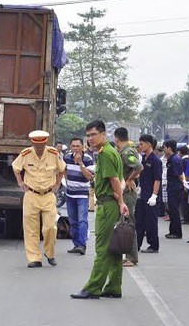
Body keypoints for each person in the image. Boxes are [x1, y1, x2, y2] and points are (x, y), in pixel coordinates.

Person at [71, 120, 129, 300]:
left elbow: (114, 180)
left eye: (93, 134)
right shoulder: (110, 151)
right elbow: (109, 179)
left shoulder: (105, 154)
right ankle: (113, 287)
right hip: (110, 202)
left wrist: (120, 202)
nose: (90, 139)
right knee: (114, 248)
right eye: (88, 135)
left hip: (108, 204)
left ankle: (93, 288)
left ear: (103, 134)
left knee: (102, 248)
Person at [12, 130, 66, 267]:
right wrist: (20, 182)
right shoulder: (26, 154)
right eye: (37, 146)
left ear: (45, 143)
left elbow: (62, 169)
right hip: (31, 194)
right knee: (31, 229)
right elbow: (16, 167)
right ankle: (34, 258)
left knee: (50, 228)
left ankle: (50, 253)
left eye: (41, 146)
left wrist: (58, 183)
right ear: (33, 144)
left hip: (48, 195)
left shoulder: (54, 154)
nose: (39, 148)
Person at [113, 127, 143, 267]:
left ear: (116, 138)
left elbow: (139, 167)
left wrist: (130, 179)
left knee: (129, 223)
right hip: (122, 192)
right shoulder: (124, 151)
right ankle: (125, 254)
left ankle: (132, 257)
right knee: (123, 222)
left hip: (128, 193)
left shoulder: (127, 152)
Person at [63, 137, 94, 256]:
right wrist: (67, 181)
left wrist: (80, 163)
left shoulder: (88, 159)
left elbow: (89, 177)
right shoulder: (66, 157)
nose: (75, 148)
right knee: (73, 221)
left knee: (82, 220)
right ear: (70, 147)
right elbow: (64, 170)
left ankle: (82, 245)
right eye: (73, 146)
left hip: (82, 195)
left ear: (82, 147)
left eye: (78, 146)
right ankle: (76, 244)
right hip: (70, 193)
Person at [136, 134, 162, 254]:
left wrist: (154, 195)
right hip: (142, 193)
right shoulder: (143, 158)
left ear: (149, 144)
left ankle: (153, 245)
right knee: (139, 220)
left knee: (151, 222)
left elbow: (157, 179)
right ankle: (136, 244)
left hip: (151, 195)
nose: (140, 146)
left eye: (142, 144)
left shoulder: (155, 160)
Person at [163, 140, 186, 239]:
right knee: (172, 210)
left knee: (174, 210)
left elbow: (179, 175)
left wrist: (184, 184)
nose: (163, 149)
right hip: (172, 187)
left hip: (175, 188)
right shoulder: (172, 159)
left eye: (164, 147)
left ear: (169, 148)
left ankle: (177, 232)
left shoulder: (175, 160)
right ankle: (172, 231)